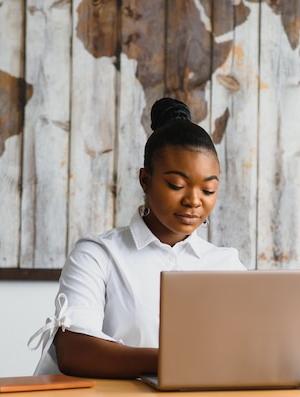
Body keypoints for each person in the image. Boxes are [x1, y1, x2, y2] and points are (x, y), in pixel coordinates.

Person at [28, 97, 246, 379]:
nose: (193, 200)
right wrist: (178, 361)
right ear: (145, 180)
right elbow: (74, 350)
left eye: (208, 190)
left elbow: (250, 351)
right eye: (176, 185)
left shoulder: (227, 265)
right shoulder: (98, 255)